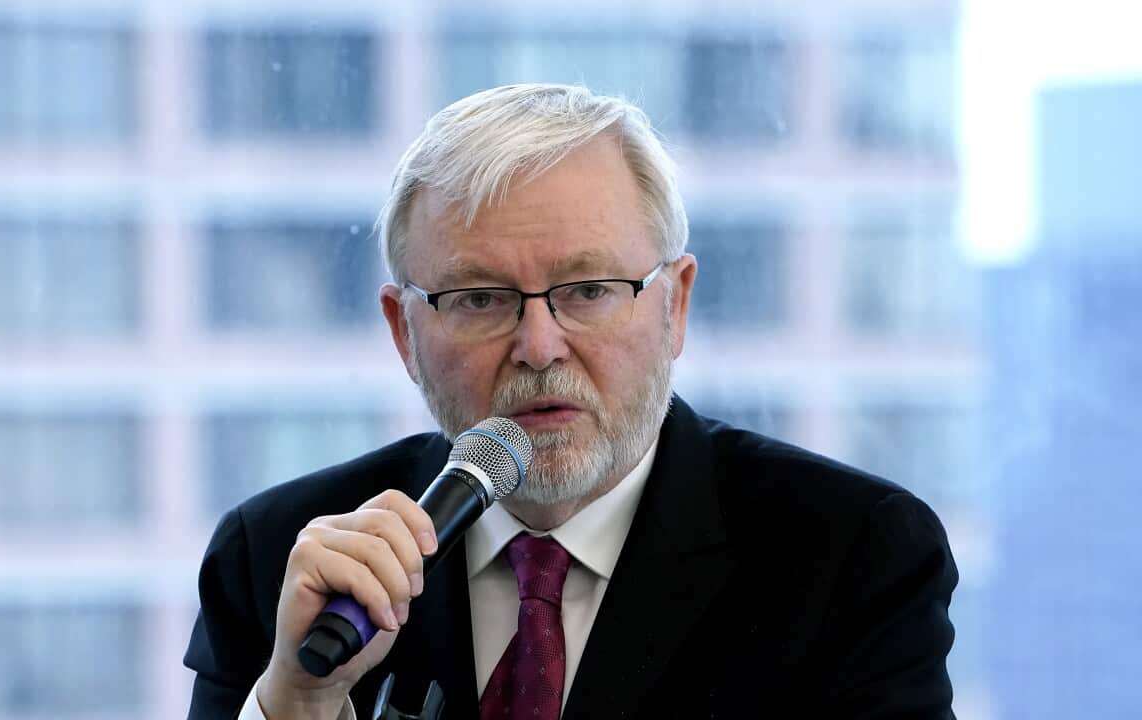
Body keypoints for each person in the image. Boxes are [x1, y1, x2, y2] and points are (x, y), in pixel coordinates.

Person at [184, 84, 958, 719]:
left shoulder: (852, 556)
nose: (539, 345)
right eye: (480, 299)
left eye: (588, 290)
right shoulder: (280, 563)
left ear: (675, 305)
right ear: (403, 331)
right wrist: (300, 702)